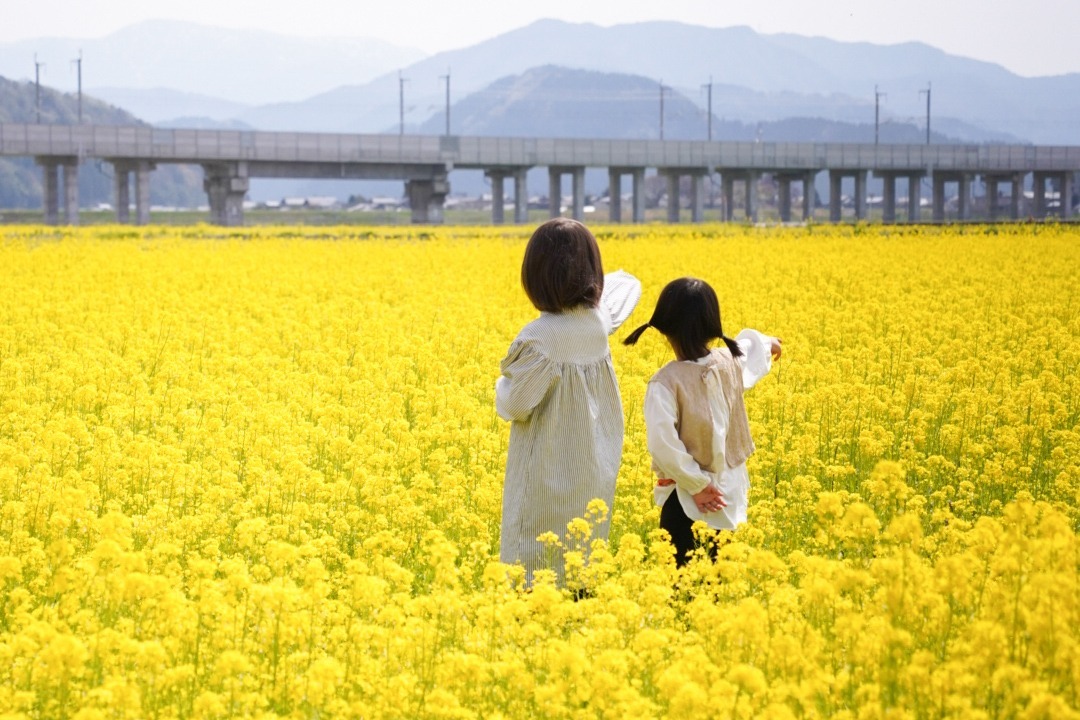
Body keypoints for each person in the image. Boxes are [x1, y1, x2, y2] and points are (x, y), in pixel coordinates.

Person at [496, 218, 641, 584]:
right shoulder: (596, 324)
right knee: (581, 555)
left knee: (535, 560)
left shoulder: (539, 338)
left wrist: (501, 386)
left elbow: (514, 404)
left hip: (546, 473)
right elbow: (627, 287)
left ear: (535, 276)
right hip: (591, 469)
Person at [623, 277, 781, 567]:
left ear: (663, 329)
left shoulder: (665, 383)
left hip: (684, 497)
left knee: (680, 577)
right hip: (727, 495)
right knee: (720, 575)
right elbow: (751, 348)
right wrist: (770, 343)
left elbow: (662, 444)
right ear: (713, 328)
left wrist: (696, 484)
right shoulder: (729, 360)